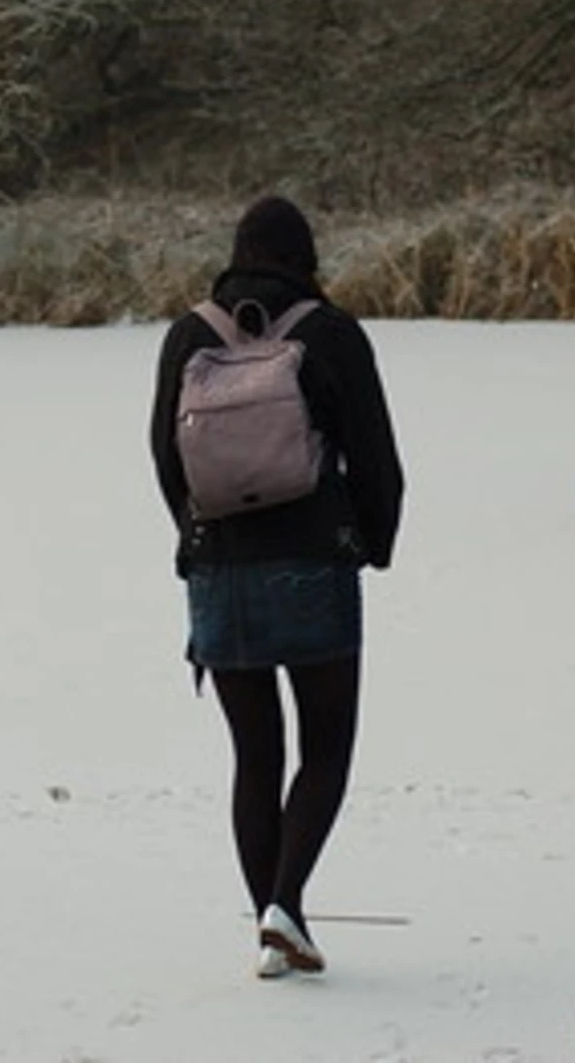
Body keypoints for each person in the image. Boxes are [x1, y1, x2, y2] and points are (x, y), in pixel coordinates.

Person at [149, 196, 404, 978]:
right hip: (313, 564)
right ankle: (285, 910)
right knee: (326, 748)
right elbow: (378, 460)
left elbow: (166, 456)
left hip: (220, 570)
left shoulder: (190, 335)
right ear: (307, 256)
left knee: (254, 757)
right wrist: (371, 544)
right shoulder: (331, 334)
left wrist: (198, 539)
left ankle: (272, 922)